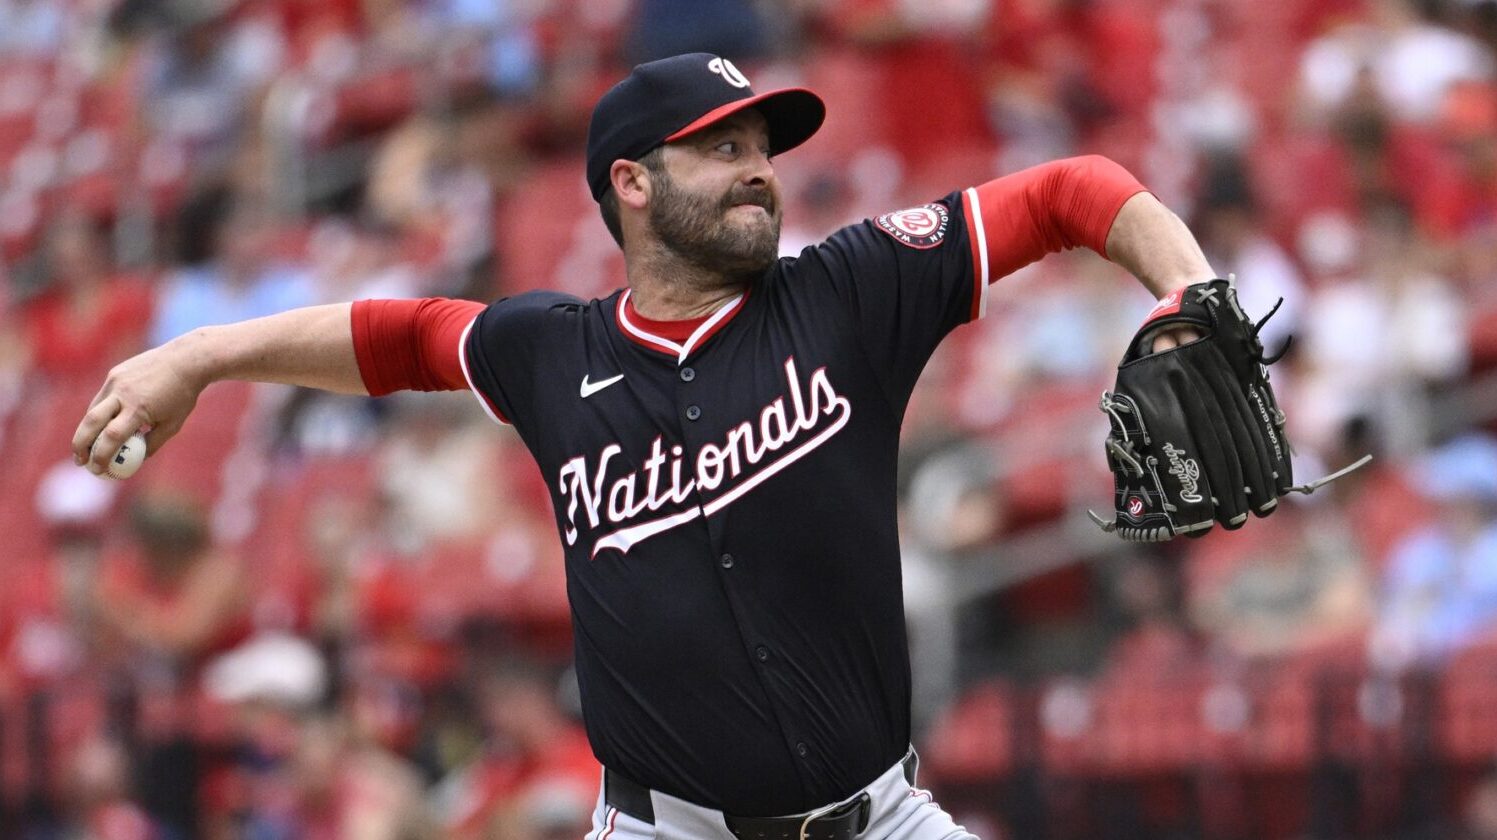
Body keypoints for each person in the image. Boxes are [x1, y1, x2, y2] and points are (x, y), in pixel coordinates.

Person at [76, 53, 1217, 840]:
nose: (758, 166)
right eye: (718, 148)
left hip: (881, 814)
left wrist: (1190, 289)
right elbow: (390, 335)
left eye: (759, 144)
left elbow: (1075, 190)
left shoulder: (852, 293)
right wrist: (199, 356)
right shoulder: (548, 353)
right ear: (632, 184)